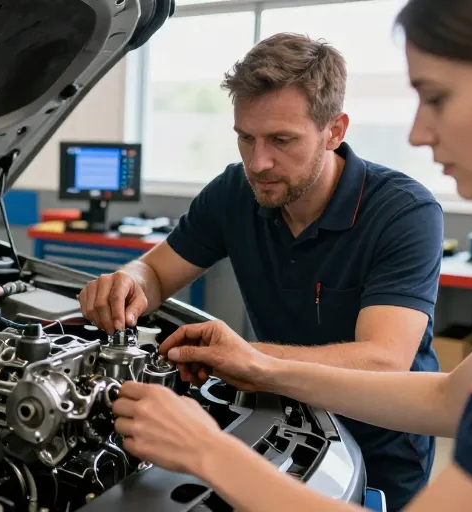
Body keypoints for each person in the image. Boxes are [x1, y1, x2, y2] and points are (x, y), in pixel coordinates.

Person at [110, 0, 472, 510]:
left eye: (437, 97)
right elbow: (447, 399)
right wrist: (256, 364)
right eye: (246, 138)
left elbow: (390, 363)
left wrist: (205, 450)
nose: (417, 132)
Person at [79, 33, 444, 508]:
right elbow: (156, 271)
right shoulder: (235, 192)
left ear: (335, 131)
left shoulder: (404, 212)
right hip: (273, 425)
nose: (258, 162)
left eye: (281, 140)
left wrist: (249, 358)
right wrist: (128, 282)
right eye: (245, 138)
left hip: (378, 447)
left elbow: (383, 360)